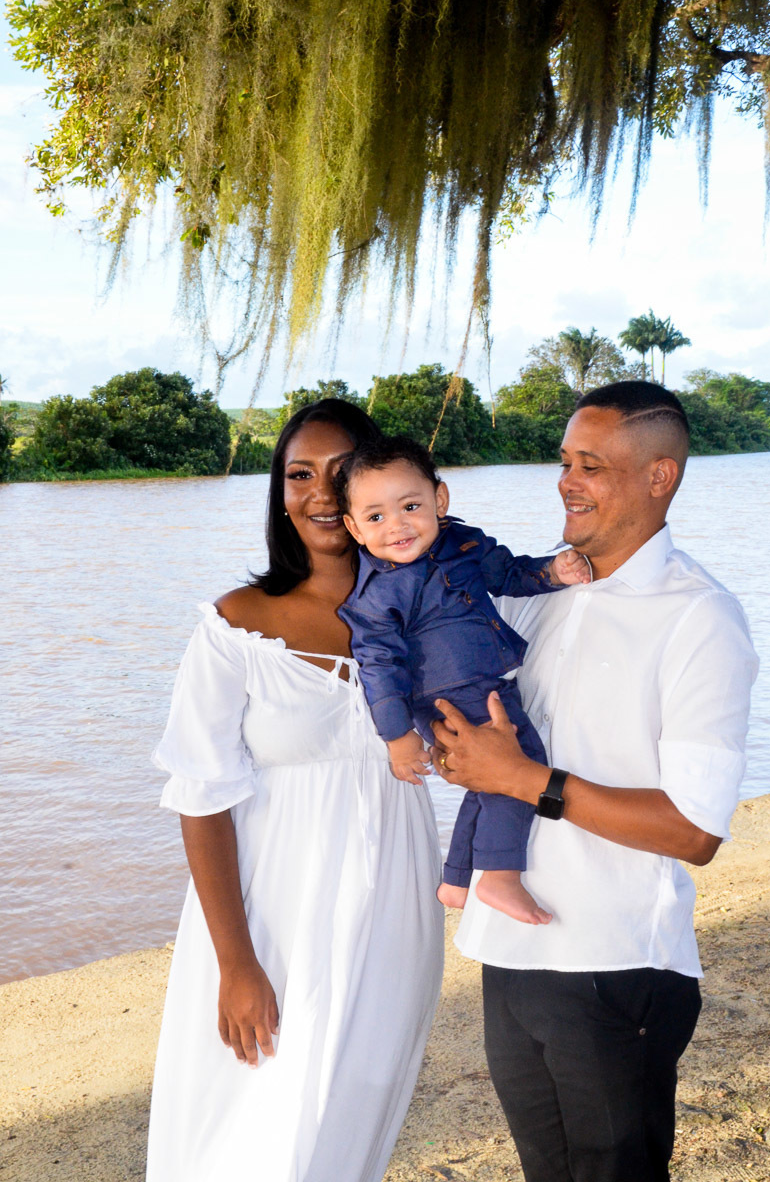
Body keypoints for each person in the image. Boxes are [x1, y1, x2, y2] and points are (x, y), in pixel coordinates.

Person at [431, 381, 759, 1182]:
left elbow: (694, 830)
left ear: (660, 477)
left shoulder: (699, 617)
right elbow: (488, 747)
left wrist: (528, 779)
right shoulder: (539, 595)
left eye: (592, 465)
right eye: (565, 460)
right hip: (508, 948)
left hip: (615, 962)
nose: (566, 481)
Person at [145, 400, 444, 1182]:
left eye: (341, 473)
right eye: (298, 474)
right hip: (272, 911)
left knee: (351, 1111)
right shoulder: (236, 626)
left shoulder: (427, 614)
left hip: (392, 904)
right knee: (253, 1130)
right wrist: (236, 963)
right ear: (279, 492)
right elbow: (202, 799)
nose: (318, 493)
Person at [335, 436, 590, 927]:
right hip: (446, 696)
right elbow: (378, 668)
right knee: (520, 765)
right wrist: (396, 736)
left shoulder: (465, 544)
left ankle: (456, 878)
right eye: (376, 518)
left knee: (483, 781)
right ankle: (499, 876)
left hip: (485, 680)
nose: (397, 526)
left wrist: (553, 571)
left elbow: (511, 574)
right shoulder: (375, 596)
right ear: (353, 527)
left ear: (440, 500)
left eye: (410, 506)